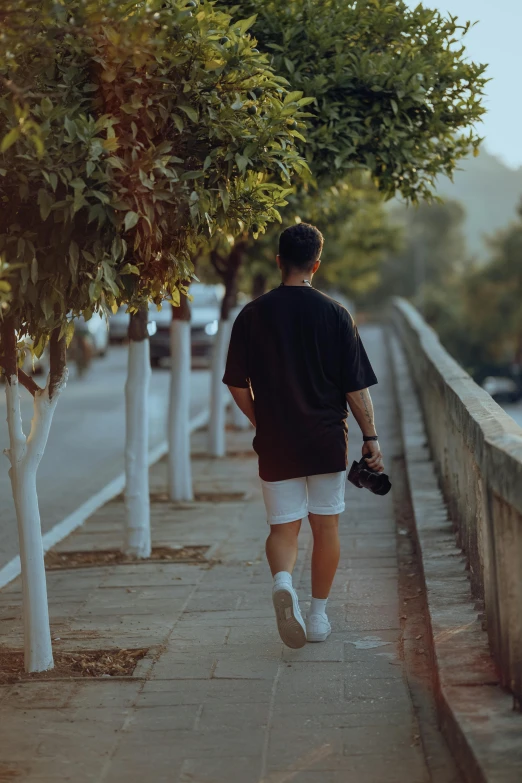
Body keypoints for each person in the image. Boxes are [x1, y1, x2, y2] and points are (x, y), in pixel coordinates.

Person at [223, 222, 384, 649]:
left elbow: (236, 383)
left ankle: (282, 583)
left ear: (278, 262)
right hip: (326, 439)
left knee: (283, 529)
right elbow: (355, 388)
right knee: (325, 527)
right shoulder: (335, 314)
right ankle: (317, 618)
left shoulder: (252, 314)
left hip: (277, 442)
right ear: (316, 263)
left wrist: (262, 421)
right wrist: (371, 438)